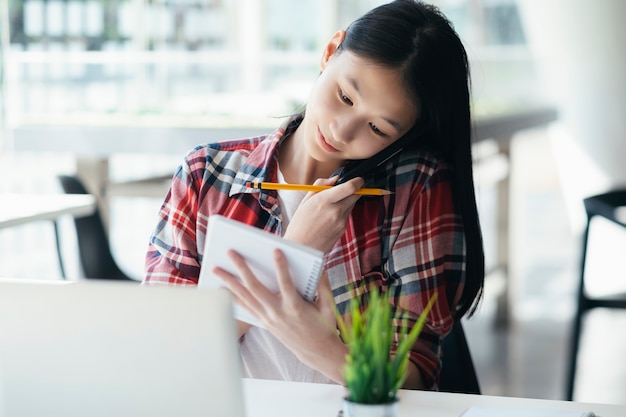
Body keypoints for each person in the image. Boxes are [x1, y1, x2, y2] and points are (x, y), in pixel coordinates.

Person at [144, 0, 484, 391]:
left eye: (377, 128)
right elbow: (167, 353)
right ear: (329, 52)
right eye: (345, 96)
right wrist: (295, 250)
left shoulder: (414, 188)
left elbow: (412, 381)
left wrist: (320, 345)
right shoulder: (206, 174)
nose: (342, 131)